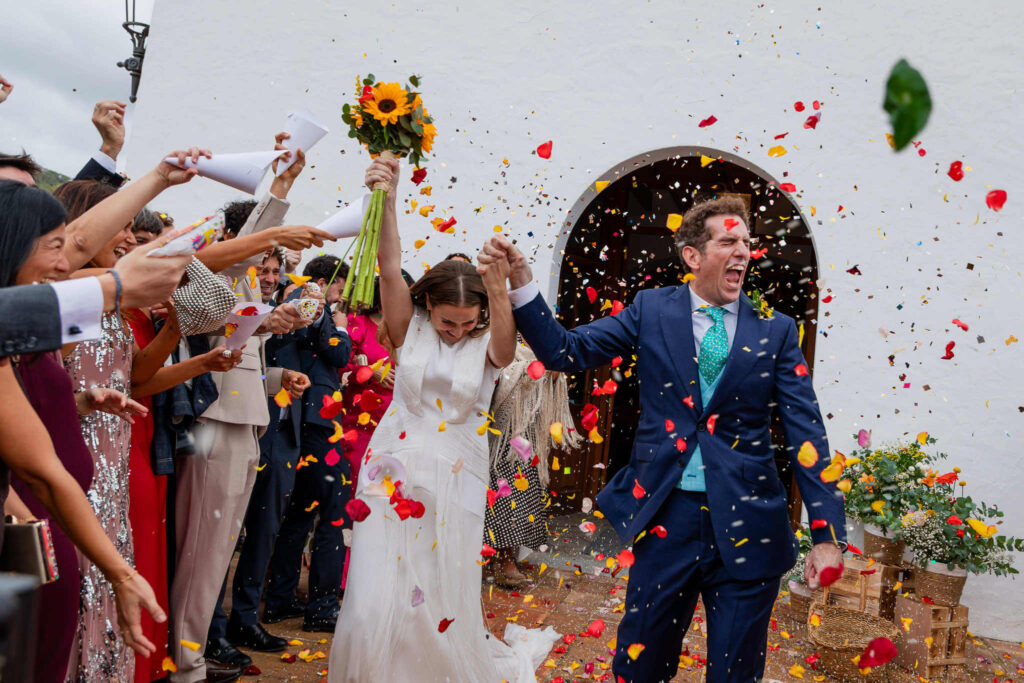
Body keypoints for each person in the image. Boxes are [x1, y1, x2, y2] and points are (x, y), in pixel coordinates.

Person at [480, 196, 847, 682]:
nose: (743, 251)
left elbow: (808, 432)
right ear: (693, 256)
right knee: (641, 666)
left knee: (736, 673)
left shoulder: (777, 331)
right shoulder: (652, 310)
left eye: (747, 243)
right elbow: (565, 350)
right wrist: (522, 279)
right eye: (729, 241)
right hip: (666, 518)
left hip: (749, 522)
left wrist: (826, 535)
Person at [329, 157, 558, 683]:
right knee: (372, 593)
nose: (456, 332)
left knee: (438, 591)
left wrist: (498, 289)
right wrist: (386, 196)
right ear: (427, 305)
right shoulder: (407, 328)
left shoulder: (489, 341)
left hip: (458, 470)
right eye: (447, 322)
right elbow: (390, 264)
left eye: (466, 323)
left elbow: (502, 347)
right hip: (393, 467)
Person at [0, 179, 175, 682]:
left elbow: (42, 470)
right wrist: (117, 286)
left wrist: (119, 573)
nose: (64, 264)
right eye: (54, 247)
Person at [170, 137, 323, 683]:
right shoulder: (213, 278)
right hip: (216, 427)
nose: (267, 262)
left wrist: (279, 378)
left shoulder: (237, 286)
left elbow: (243, 359)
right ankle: (185, 660)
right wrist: (279, 186)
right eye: (259, 250)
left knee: (216, 556)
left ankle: (192, 651)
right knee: (202, 555)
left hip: (245, 426)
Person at [263, 256, 353, 633]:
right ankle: (321, 607)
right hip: (313, 421)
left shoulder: (318, 315)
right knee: (334, 509)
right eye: (340, 286)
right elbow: (337, 353)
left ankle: (281, 597)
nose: (342, 295)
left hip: (309, 421)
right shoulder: (302, 307)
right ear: (321, 281)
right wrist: (335, 326)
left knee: (302, 509)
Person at [484, 344, 579, 589]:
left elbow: (554, 377)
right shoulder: (503, 343)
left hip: (527, 436)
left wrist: (550, 372)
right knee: (504, 497)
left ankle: (508, 557)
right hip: (503, 435)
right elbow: (503, 378)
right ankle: (502, 561)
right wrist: (530, 370)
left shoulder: (537, 348)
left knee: (522, 496)